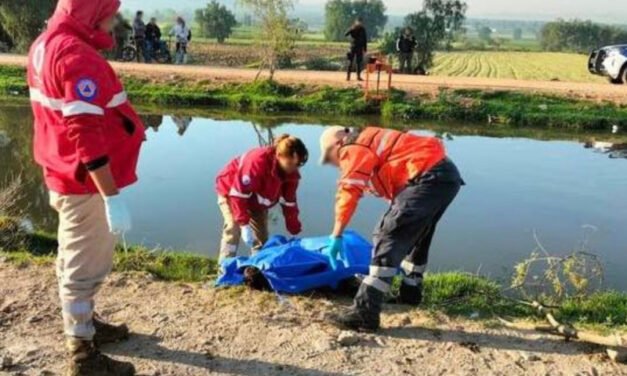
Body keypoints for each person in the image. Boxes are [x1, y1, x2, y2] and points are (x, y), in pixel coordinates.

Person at [26, 0, 145, 374]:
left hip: (61, 170)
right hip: (85, 183)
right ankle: (82, 354)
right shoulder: (78, 56)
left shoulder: (45, 43)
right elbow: (86, 134)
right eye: (109, 11)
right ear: (91, 12)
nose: (113, 19)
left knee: (74, 254)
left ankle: (87, 326)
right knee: (82, 267)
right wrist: (111, 196)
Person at [319, 126, 463, 331]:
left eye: (329, 158)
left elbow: (348, 192)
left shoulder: (353, 147)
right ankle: (410, 294)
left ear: (337, 145)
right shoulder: (370, 139)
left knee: (388, 234)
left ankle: (364, 313)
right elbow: (396, 174)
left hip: (427, 177)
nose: (334, 164)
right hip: (445, 176)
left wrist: (337, 234)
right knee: (416, 234)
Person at [215, 135, 309, 262]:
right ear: (279, 155)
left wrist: (293, 228)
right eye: (290, 163)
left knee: (262, 238)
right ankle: (225, 266)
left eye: (297, 165)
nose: (293, 168)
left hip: (257, 200)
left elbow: (289, 202)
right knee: (233, 227)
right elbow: (238, 194)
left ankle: (257, 267)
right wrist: (244, 224)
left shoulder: (291, 174)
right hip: (232, 192)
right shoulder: (257, 162)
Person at [345, 17, 368, 82]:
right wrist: (351, 29)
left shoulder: (363, 29)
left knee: (359, 62)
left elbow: (365, 39)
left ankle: (358, 76)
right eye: (359, 22)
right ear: (356, 22)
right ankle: (348, 76)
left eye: (361, 22)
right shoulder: (353, 28)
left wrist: (365, 48)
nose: (360, 23)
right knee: (350, 62)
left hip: (359, 48)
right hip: (352, 47)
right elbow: (346, 34)